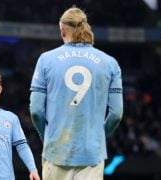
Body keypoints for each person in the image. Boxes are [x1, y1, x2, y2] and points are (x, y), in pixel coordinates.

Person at [29, 5, 123, 180]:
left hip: (56, 151)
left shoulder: (46, 59)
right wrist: (99, 136)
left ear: (63, 30)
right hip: (91, 153)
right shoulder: (110, 63)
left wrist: (47, 136)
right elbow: (116, 114)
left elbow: (35, 110)